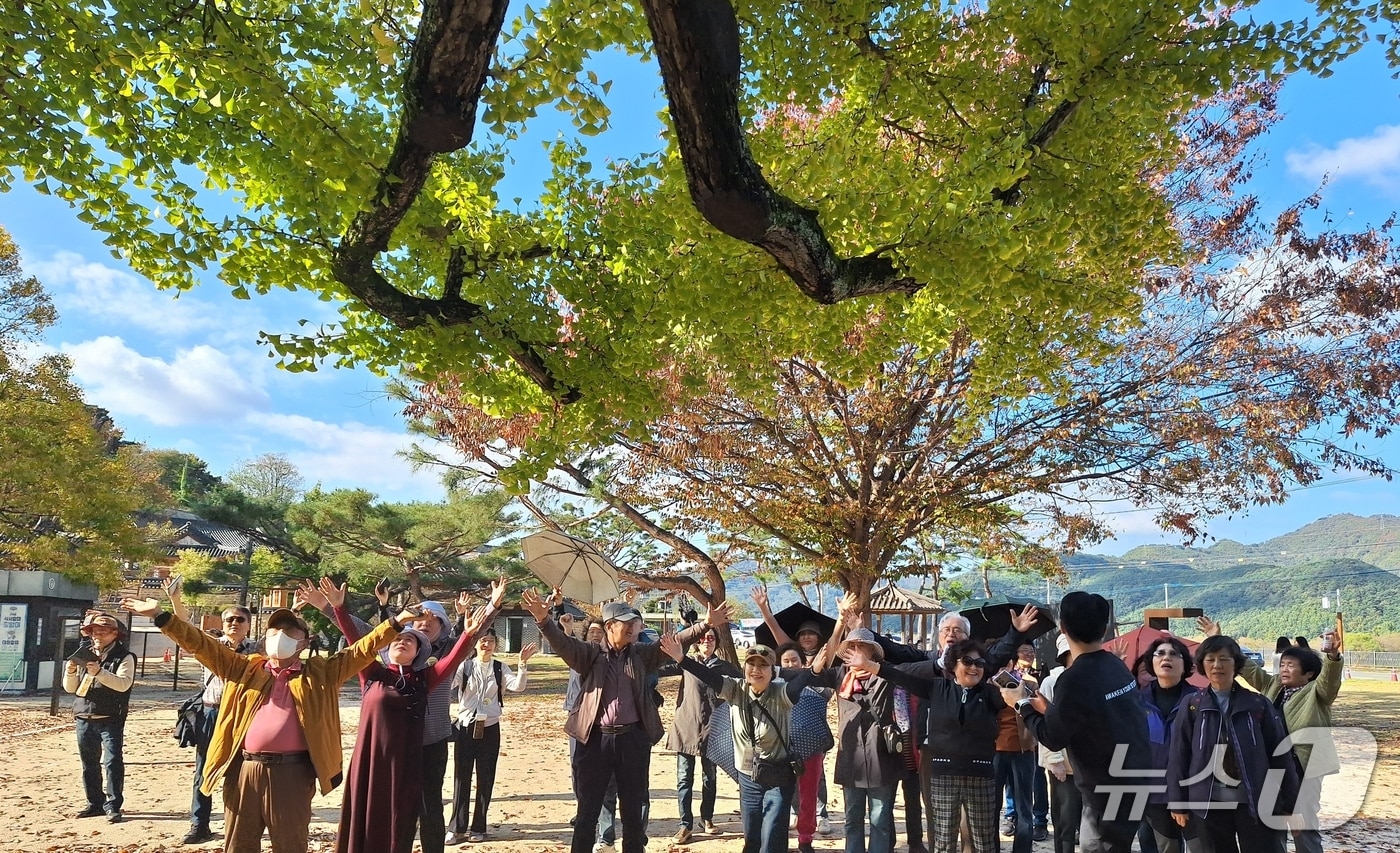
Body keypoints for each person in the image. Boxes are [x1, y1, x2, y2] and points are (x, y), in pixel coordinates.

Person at [121, 590, 419, 853]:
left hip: (293, 773)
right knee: (239, 844)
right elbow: (201, 644)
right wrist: (161, 616)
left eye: (290, 632)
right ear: (265, 637)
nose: (281, 636)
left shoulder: (322, 671)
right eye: (276, 630)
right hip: (244, 770)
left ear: (304, 642)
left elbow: (362, 649)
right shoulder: (243, 667)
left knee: (290, 844)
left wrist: (395, 622)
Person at [297, 578, 472, 853]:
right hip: (379, 753)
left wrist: (481, 615)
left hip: (428, 745)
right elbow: (363, 639)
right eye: (419, 618)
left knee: (425, 809)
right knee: (376, 812)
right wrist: (335, 608)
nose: (423, 623)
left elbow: (463, 644)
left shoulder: (435, 665)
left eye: (432, 618)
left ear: (443, 626)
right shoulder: (378, 670)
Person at [521, 588, 678, 853]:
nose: (633, 628)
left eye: (635, 623)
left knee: (632, 812)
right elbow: (562, 643)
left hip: (632, 740)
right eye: (626, 624)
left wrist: (706, 624)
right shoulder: (590, 654)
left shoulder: (640, 653)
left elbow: (676, 640)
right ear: (609, 626)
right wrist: (543, 620)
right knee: (587, 812)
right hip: (595, 741)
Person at [1008, 591, 1153, 853]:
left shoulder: (1073, 679)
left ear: (1063, 629)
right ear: (1105, 626)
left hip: (1106, 793)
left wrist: (1021, 704)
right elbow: (1092, 716)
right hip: (1137, 781)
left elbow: (1053, 737)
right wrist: (1049, 708)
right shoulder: (1116, 666)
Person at [843, 636, 1006, 853]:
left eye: (979, 663)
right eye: (967, 661)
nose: (974, 667)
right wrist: (869, 665)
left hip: (981, 774)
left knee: (984, 842)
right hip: (944, 774)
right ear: (954, 664)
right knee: (943, 842)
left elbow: (1005, 663)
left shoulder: (991, 694)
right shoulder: (937, 688)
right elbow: (899, 676)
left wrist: (1017, 633)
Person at [662, 628, 817, 853]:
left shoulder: (782, 693)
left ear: (772, 671)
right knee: (752, 838)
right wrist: (681, 659)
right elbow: (709, 676)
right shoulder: (735, 689)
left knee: (773, 838)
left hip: (779, 776)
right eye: (751, 664)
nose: (756, 670)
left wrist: (821, 660)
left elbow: (803, 679)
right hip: (748, 776)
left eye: (763, 665)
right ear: (744, 668)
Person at [1205, 619, 1343, 853]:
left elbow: (1329, 680)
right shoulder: (1274, 687)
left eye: (1291, 665)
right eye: (1283, 664)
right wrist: (1219, 638)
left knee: (1303, 822)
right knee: (1273, 819)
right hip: (1273, 764)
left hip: (1304, 765)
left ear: (1308, 673)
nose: (1284, 669)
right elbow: (1248, 669)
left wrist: (1332, 657)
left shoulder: (1317, 693)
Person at [1166, 635, 1299, 853]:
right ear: (1202, 665)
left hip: (1256, 802)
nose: (1217, 665)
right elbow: (1179, 755)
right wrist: (1177, 801)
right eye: (1210, 659)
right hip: (1209, 804)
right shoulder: (1192, 705)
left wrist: (1289, 803)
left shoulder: (1258, 704)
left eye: (1224, 659)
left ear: (1236, 664)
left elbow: (1280, 755)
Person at [162, 576, 259, 845]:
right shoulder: (212, 646)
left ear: (248, 625)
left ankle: (238, 824)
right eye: (229, 619)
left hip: (244, 716)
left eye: (240, 619)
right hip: (211, 713)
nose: (234, 623)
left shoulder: (258, 650)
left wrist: (295, 609)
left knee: (242, 771)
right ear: (222, 624)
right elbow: (185, 631)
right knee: (204, 769)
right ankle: (199, 823)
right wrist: (175, 599)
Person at [804, 606, 903, 853]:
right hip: (851, 758)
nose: (856, 652)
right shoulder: (840, 675)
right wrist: (817, 665)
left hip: (882, 757)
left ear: (873, 653)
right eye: (852, 648)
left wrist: (870, 664)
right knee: (852, 819)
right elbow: (813, 678)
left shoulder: (885, 676)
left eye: (862, 647)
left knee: (880, 820)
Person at [447, 629, 537, 844]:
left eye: (490, 641)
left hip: (490, 727)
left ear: (496, 644)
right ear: (475, 645)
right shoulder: (465, 666)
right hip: (466, 726)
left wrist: (522, 665)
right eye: (482, 641)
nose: (486, 644)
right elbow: (448, 685)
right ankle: (457, 828)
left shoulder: (499, 667)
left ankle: (479, 827)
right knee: (461, 777)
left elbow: (518, 686)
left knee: (485, 778)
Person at [664, 623, 740, 843]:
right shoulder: (684, 663)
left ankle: (706, 818)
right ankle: (685, 825)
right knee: (684, 779)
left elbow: (745, 687)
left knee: (710, 777)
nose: (706, 641)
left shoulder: (725, 668)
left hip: (713, 730)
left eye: (710, 638)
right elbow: (655, 668)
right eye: (701, 639)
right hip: (685, 728)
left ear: (717, 642)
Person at [63, 611, 137, 824]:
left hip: (110, 717)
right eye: (94, 631)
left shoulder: (125, 657)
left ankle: (113, 805)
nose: (97, 635)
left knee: (113, 761)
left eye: (103, 631)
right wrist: (70, 671)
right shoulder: (82, 653)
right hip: (83, 715)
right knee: (89, 763)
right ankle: (94, 803)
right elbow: (71, 689)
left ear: (115, 634)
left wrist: (99, 673)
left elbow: (123, 684)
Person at [1134, 636, 1204, 853]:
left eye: (1175, 654)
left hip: (1193, 790)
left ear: (1186, 665)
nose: (1167, 658)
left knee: (1201, 847)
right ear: (1151, 663)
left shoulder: (1200, 700)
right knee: (1166, 848)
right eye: (1160, 653)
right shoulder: (1137, 701)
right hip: (1152, 791)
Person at [1037, 634, 1080, 853]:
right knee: (1065, 822)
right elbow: (1045, 723)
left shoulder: (1091, 680)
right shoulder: (1051, 682)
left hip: (1090, 765)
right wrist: (1054, 760)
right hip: (1064, 765)